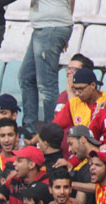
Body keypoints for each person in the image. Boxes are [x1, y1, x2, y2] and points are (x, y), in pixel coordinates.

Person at [19, 0, 74, 129]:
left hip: (51, 26)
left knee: (47, 85)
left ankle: (52, 132)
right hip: (46, 27)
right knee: (26, 77)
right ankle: (29, 128)